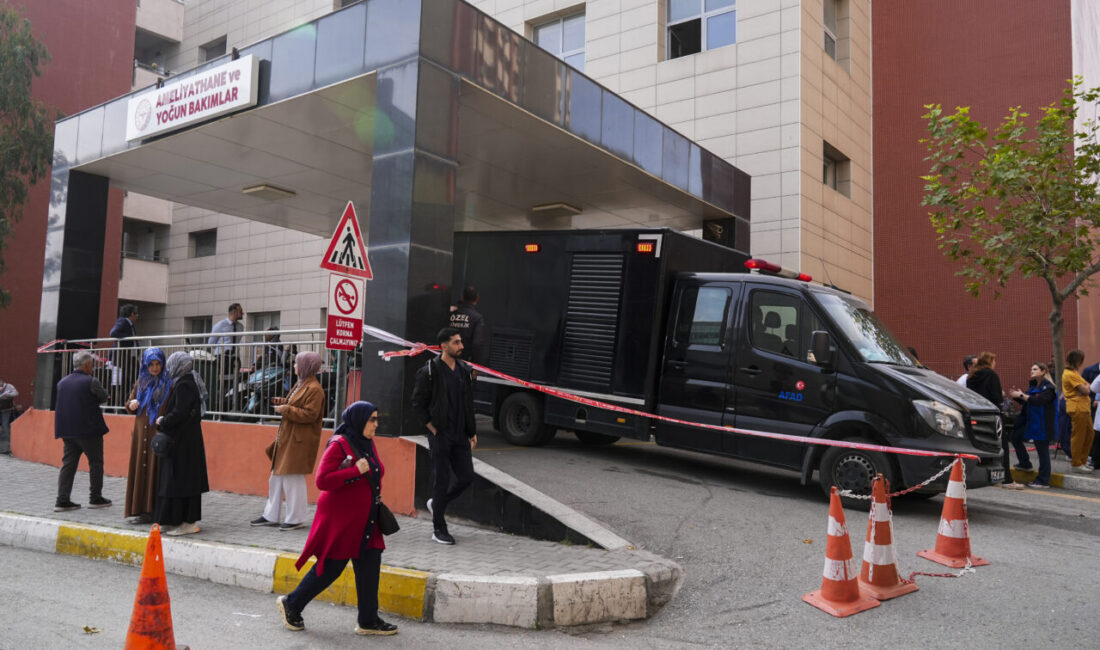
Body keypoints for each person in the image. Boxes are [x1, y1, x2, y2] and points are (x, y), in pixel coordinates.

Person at [277, 401, 398, 636]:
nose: (376, 424)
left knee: (370, 565)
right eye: (371, 419)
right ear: (358, 421)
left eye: (376, 419)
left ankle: (368, 620)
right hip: (342, 520)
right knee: (331, 567)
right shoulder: (339, 444)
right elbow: (322, 481)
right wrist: (355, 471)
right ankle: (292, 604)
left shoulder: (367, 443)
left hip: (366, 520)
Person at [411, 327, 477, 545]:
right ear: (444, 346)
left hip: (460, 435)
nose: (461, 346)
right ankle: (439, 528)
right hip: (440, 435)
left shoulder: (464, 370)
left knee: (466, 477)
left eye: (460, 342)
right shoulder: (429, 371)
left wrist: (472, 431)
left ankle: (437, 504)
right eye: (457, 342)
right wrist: (432, 428)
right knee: (442, 479)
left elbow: (468, 403)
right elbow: (417, 404)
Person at [251, 351, 325, 531]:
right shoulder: (301, 384)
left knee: (293, 480)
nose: (294, 366)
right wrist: (285, 402)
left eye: (297, 363)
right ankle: (271, 515)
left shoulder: (314, 389)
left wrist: (286, 409)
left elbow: (310, 415)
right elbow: (297, 406)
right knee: (275, 477)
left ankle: (295, 518)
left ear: (306, 366)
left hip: (298, 440)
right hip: (288, 438)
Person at [155, 352, 210, 535]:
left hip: (183, 442)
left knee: (181, 480)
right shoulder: (185, 381)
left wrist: (163, 421)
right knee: (177, 480)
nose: (168, 368)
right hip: (185, 440)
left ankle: (186, 522)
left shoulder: (185, 384)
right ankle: (173, 520)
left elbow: (180, 412)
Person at [54, 350, 113, 511]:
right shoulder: (91, 381)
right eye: (91, 365)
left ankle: (62, 500)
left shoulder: (62, 383)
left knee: (68, 464)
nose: (92, 367)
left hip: (67, 430)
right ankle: (95, 498)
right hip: (88, 430)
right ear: (87, 365)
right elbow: (103, 397)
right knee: (95, 463)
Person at [123, 348, 172, 525]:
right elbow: (129, 403)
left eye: (158, 364)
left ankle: (155, 511)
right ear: (145, 365)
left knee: (155, 469)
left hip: (157, 433)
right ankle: (140, 510)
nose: (155, 368)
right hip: (140, 433)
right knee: (140, 469)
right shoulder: (141, 382)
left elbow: (171, 408)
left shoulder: (168, 384)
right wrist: (132, 405)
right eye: (151, 364)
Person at [967, 351, 1020, 489]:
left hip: (976, 414)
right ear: (990, 362)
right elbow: (996, 397)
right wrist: (1001, 395)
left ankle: (990, 477)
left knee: (984, 446)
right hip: (992, 415)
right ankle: (1006, 480)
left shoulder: (971, 376)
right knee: (1002, 447)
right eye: (994, 361)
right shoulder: (991, 375)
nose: (995, 364)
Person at [1008, 363, 1056, 488]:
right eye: (1031, 369)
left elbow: (1039, 401)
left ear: (1043, 371)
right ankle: (1025, 463)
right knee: (1015, 437)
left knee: (1042, 452)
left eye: (1035, 369)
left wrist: (1022, 395)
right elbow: (1028, 402)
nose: (1032, 371)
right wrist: (1017, 396)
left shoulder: (1049, 388)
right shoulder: (1034, 385)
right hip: (1032, 423)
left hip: (1042, 424)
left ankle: (1043, 480)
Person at [1062, 349, 1094, 473]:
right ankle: (1076, 463)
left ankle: (1083, 461)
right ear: (1077, 361)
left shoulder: (1075, 373)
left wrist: (1085, 387)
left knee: (1089, 434)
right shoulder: (1069, 374)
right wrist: (1085, 387)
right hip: (1077, 407)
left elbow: (1088, 386)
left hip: (1083, 407)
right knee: (1079, 436)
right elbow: (1087, 389)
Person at [209, 303, 245, 411]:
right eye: (240, 311)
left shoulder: (240, 327)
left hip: (234, 357)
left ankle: (229, 405)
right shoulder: (221, 325)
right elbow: (211, 342)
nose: (242, 313)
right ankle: (216, 405)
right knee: (220, 382)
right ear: (234, 312)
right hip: (222, 357)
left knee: (233, 382)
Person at [448, 286, 488, 364]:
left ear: (463, 298)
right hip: (464, 360)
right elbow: (477, 343)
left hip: (448, 357)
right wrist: (475, 364)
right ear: (477, 299)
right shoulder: (476, 317)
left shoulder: (451, 314)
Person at [110, 304, 140, 404]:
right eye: (136, 313)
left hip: (130, 357)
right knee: (125, 382)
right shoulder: (123, 321)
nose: (137, 316)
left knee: (133, 380)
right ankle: (124, 404)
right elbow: (113, 333)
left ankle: (127, 403)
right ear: (132, 314)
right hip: (124, 357)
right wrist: (128, 338)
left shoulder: (130, 324)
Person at [0, 378, 18, 455]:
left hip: (6, 408)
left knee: (5, 425)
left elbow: (16, 393)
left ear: (1, 382)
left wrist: (8, 394)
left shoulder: (9, 386)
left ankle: (6, 447)